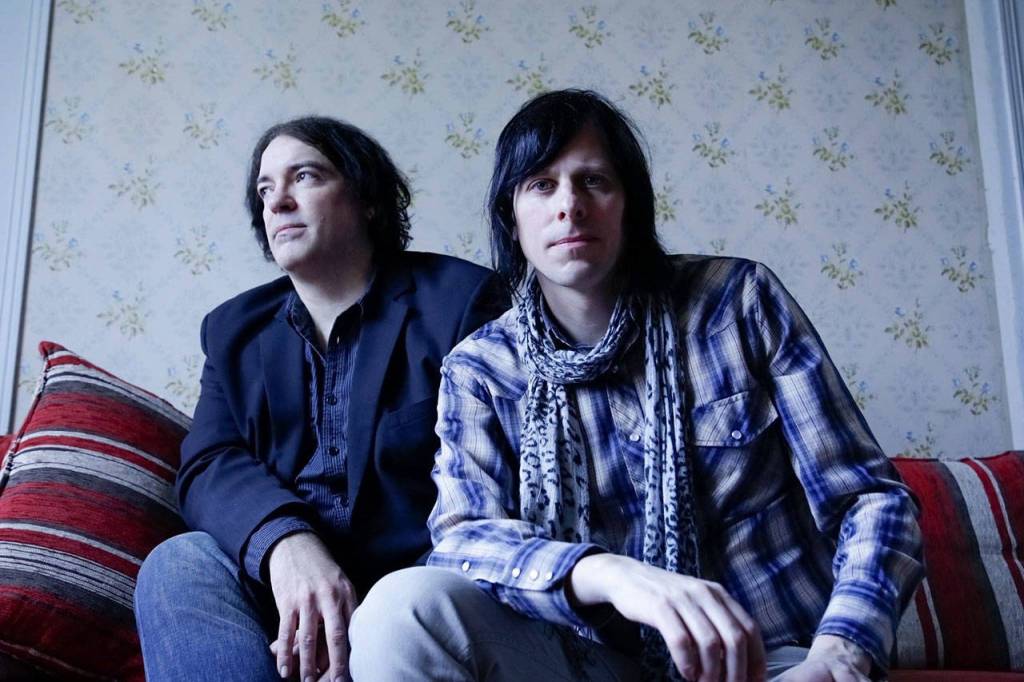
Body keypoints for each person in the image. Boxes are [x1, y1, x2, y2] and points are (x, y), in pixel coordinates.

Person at [348, 90, 924, 682]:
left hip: (769, 659)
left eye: (593, 181)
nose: (569, 207)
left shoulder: (738, 303)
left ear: (631, 206)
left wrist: (841, 654)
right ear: (511, 220)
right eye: (541, 185)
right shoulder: (481, 368)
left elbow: (870, 500)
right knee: (399, 611)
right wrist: (611, 575)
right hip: (581, 660)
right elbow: (465, 540)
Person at [133, 115, 504, 682]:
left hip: (414, 587)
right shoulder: (233, 330)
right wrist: (286, 543)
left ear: (368, 200)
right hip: (283, 586)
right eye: (265, 189)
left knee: (409, 608)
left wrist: (366, 619)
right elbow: (209, 462)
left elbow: (489, 486)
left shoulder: (461, 301)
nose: (277, 202)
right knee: (178, 563)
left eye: (304, 176)